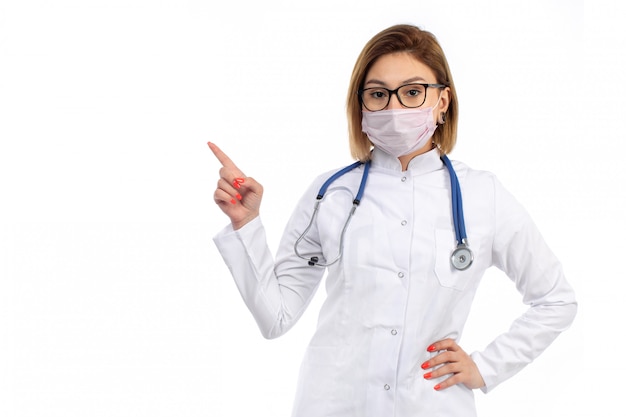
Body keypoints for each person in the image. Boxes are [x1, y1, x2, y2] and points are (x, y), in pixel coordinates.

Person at [208, 24, 577, 417]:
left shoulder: (482, 195)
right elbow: (276, 317)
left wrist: (485, 367)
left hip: (432, 405)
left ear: (443, 101)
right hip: (333, 404)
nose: (395, 108)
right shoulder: (330, 194)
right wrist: (246, 224)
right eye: (379, 94)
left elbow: (556, 300)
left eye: (413, 92)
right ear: (362, 104)